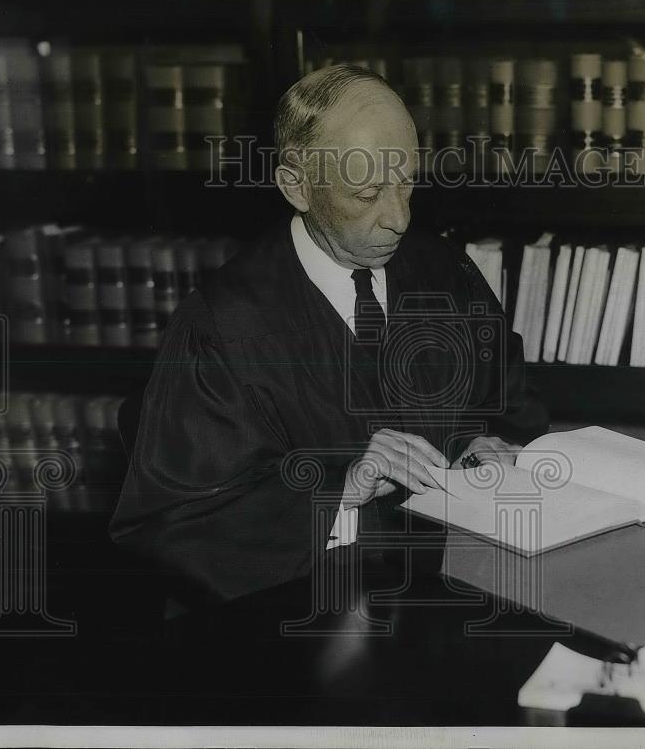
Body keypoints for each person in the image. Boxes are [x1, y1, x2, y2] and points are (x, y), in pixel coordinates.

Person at [110, 65, 547, 606]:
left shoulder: (449, 274)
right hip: (304, 622)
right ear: (297, 185)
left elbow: (511, 410)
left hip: (463, 591)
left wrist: (493, 449)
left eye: (407, 181)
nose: (399, 218)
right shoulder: (225, 324)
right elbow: (171, 525)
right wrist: (339, 491)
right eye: (367, 195)